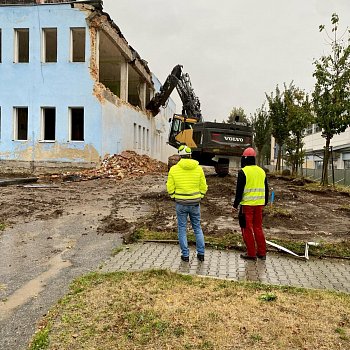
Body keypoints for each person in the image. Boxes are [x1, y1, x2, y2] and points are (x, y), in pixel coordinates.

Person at [166, 145, 208, 262]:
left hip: (180, 203)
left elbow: (170, 186)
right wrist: (201, 196)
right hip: (195, 203)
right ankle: (201, 254)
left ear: (179, 156)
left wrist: (173, 196)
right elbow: (203, 186)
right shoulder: (198, 169)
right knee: (197, 228)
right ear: (190, 155)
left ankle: (185, 255)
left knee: (182, 228)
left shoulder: (174, 169)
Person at [232, 147, 269, 260]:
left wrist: (235, 205)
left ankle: (251, 253)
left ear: (244, 159)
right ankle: (262, 253)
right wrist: (265, 202)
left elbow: (239, 191)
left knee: (247, 229)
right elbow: (266, 188)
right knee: (258, 228)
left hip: (247, 205)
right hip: (259, 204)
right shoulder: (262, 171)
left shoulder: (243, 172)